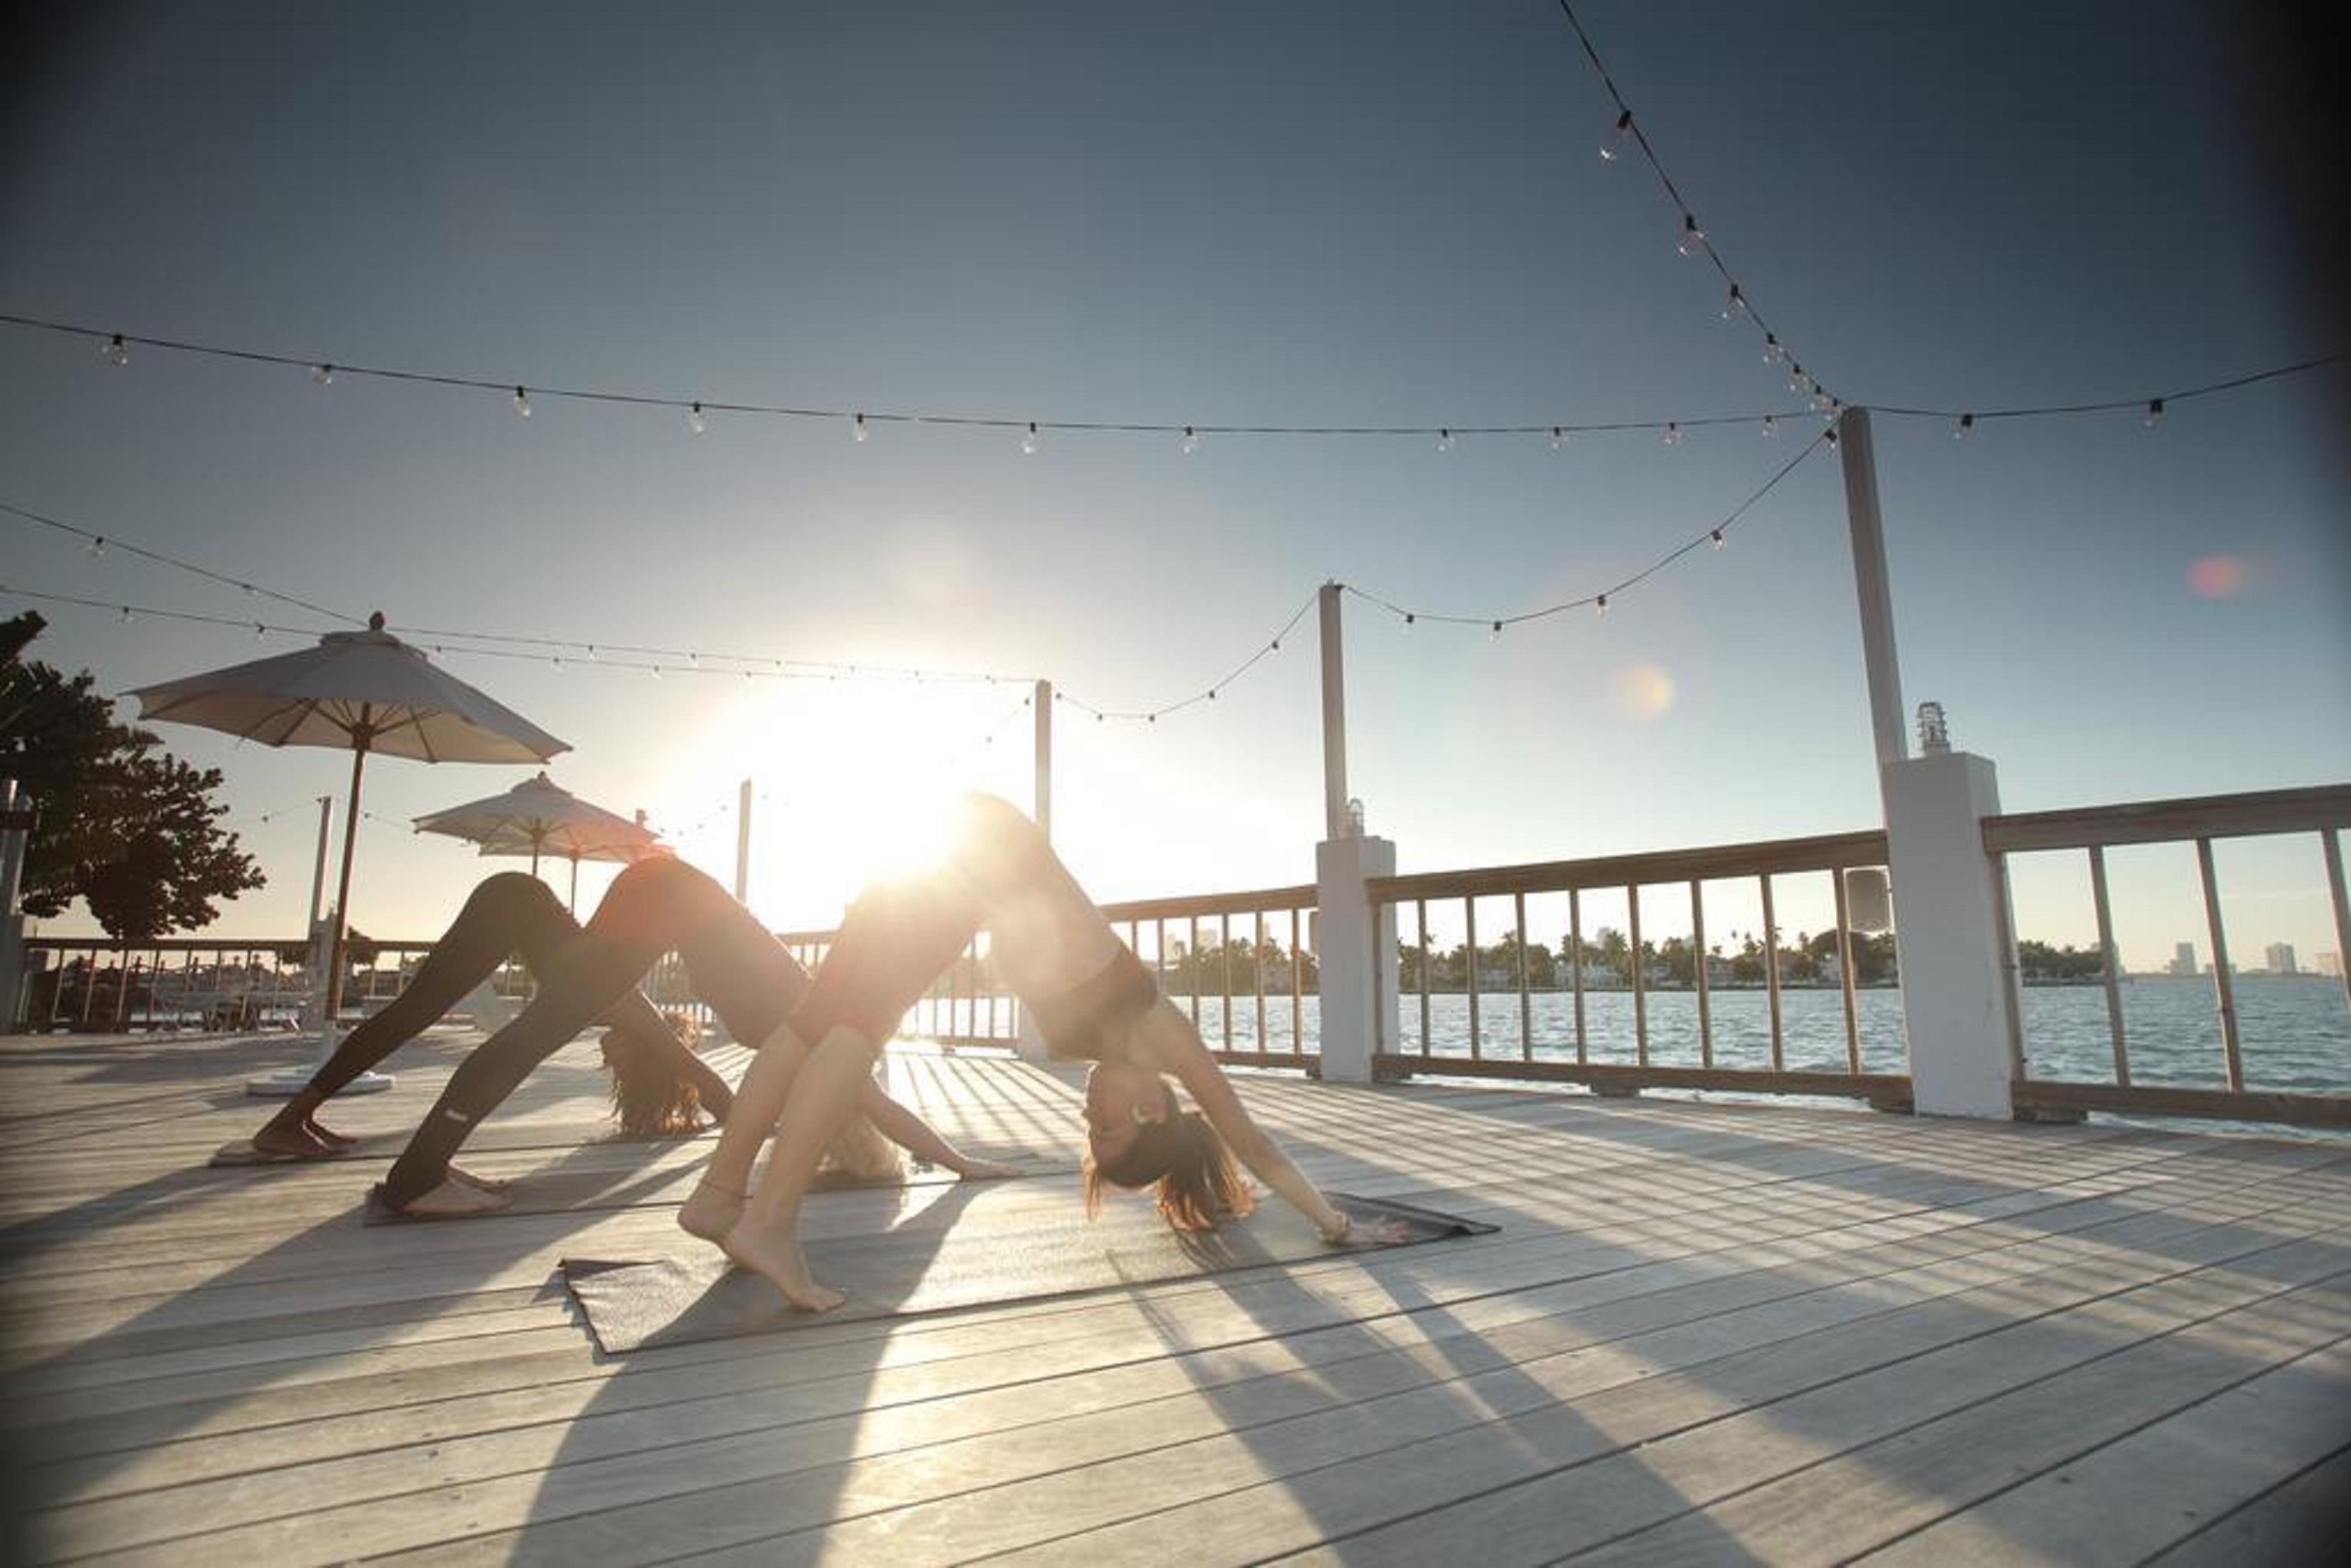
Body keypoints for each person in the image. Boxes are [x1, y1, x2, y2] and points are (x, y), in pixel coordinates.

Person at [686, 793, 1394, 1314]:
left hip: (959, 859)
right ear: (1151, 1107)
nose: (1089, 1114)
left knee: (813, 1020)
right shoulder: (1159, 1032)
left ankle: (720, 1195)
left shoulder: (1115, 1051)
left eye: (1092, 1132)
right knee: (857, 1028)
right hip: (978, 856)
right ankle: (771, 1221)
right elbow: (1251, 1140)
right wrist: (1335, 1224)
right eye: (1106, 1125)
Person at [246, 866, 1009, 1217]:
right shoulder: (830, 1057)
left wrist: (952, 1162)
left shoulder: (805, 1046)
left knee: (496, 1018)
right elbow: (884, 1111)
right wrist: (962, 1164)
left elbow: (742, 1098)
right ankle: (418, 1178)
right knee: (539, 1030)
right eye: (840, 1141)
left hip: (635, 894)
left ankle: (360, 1145)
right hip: (665, 899)